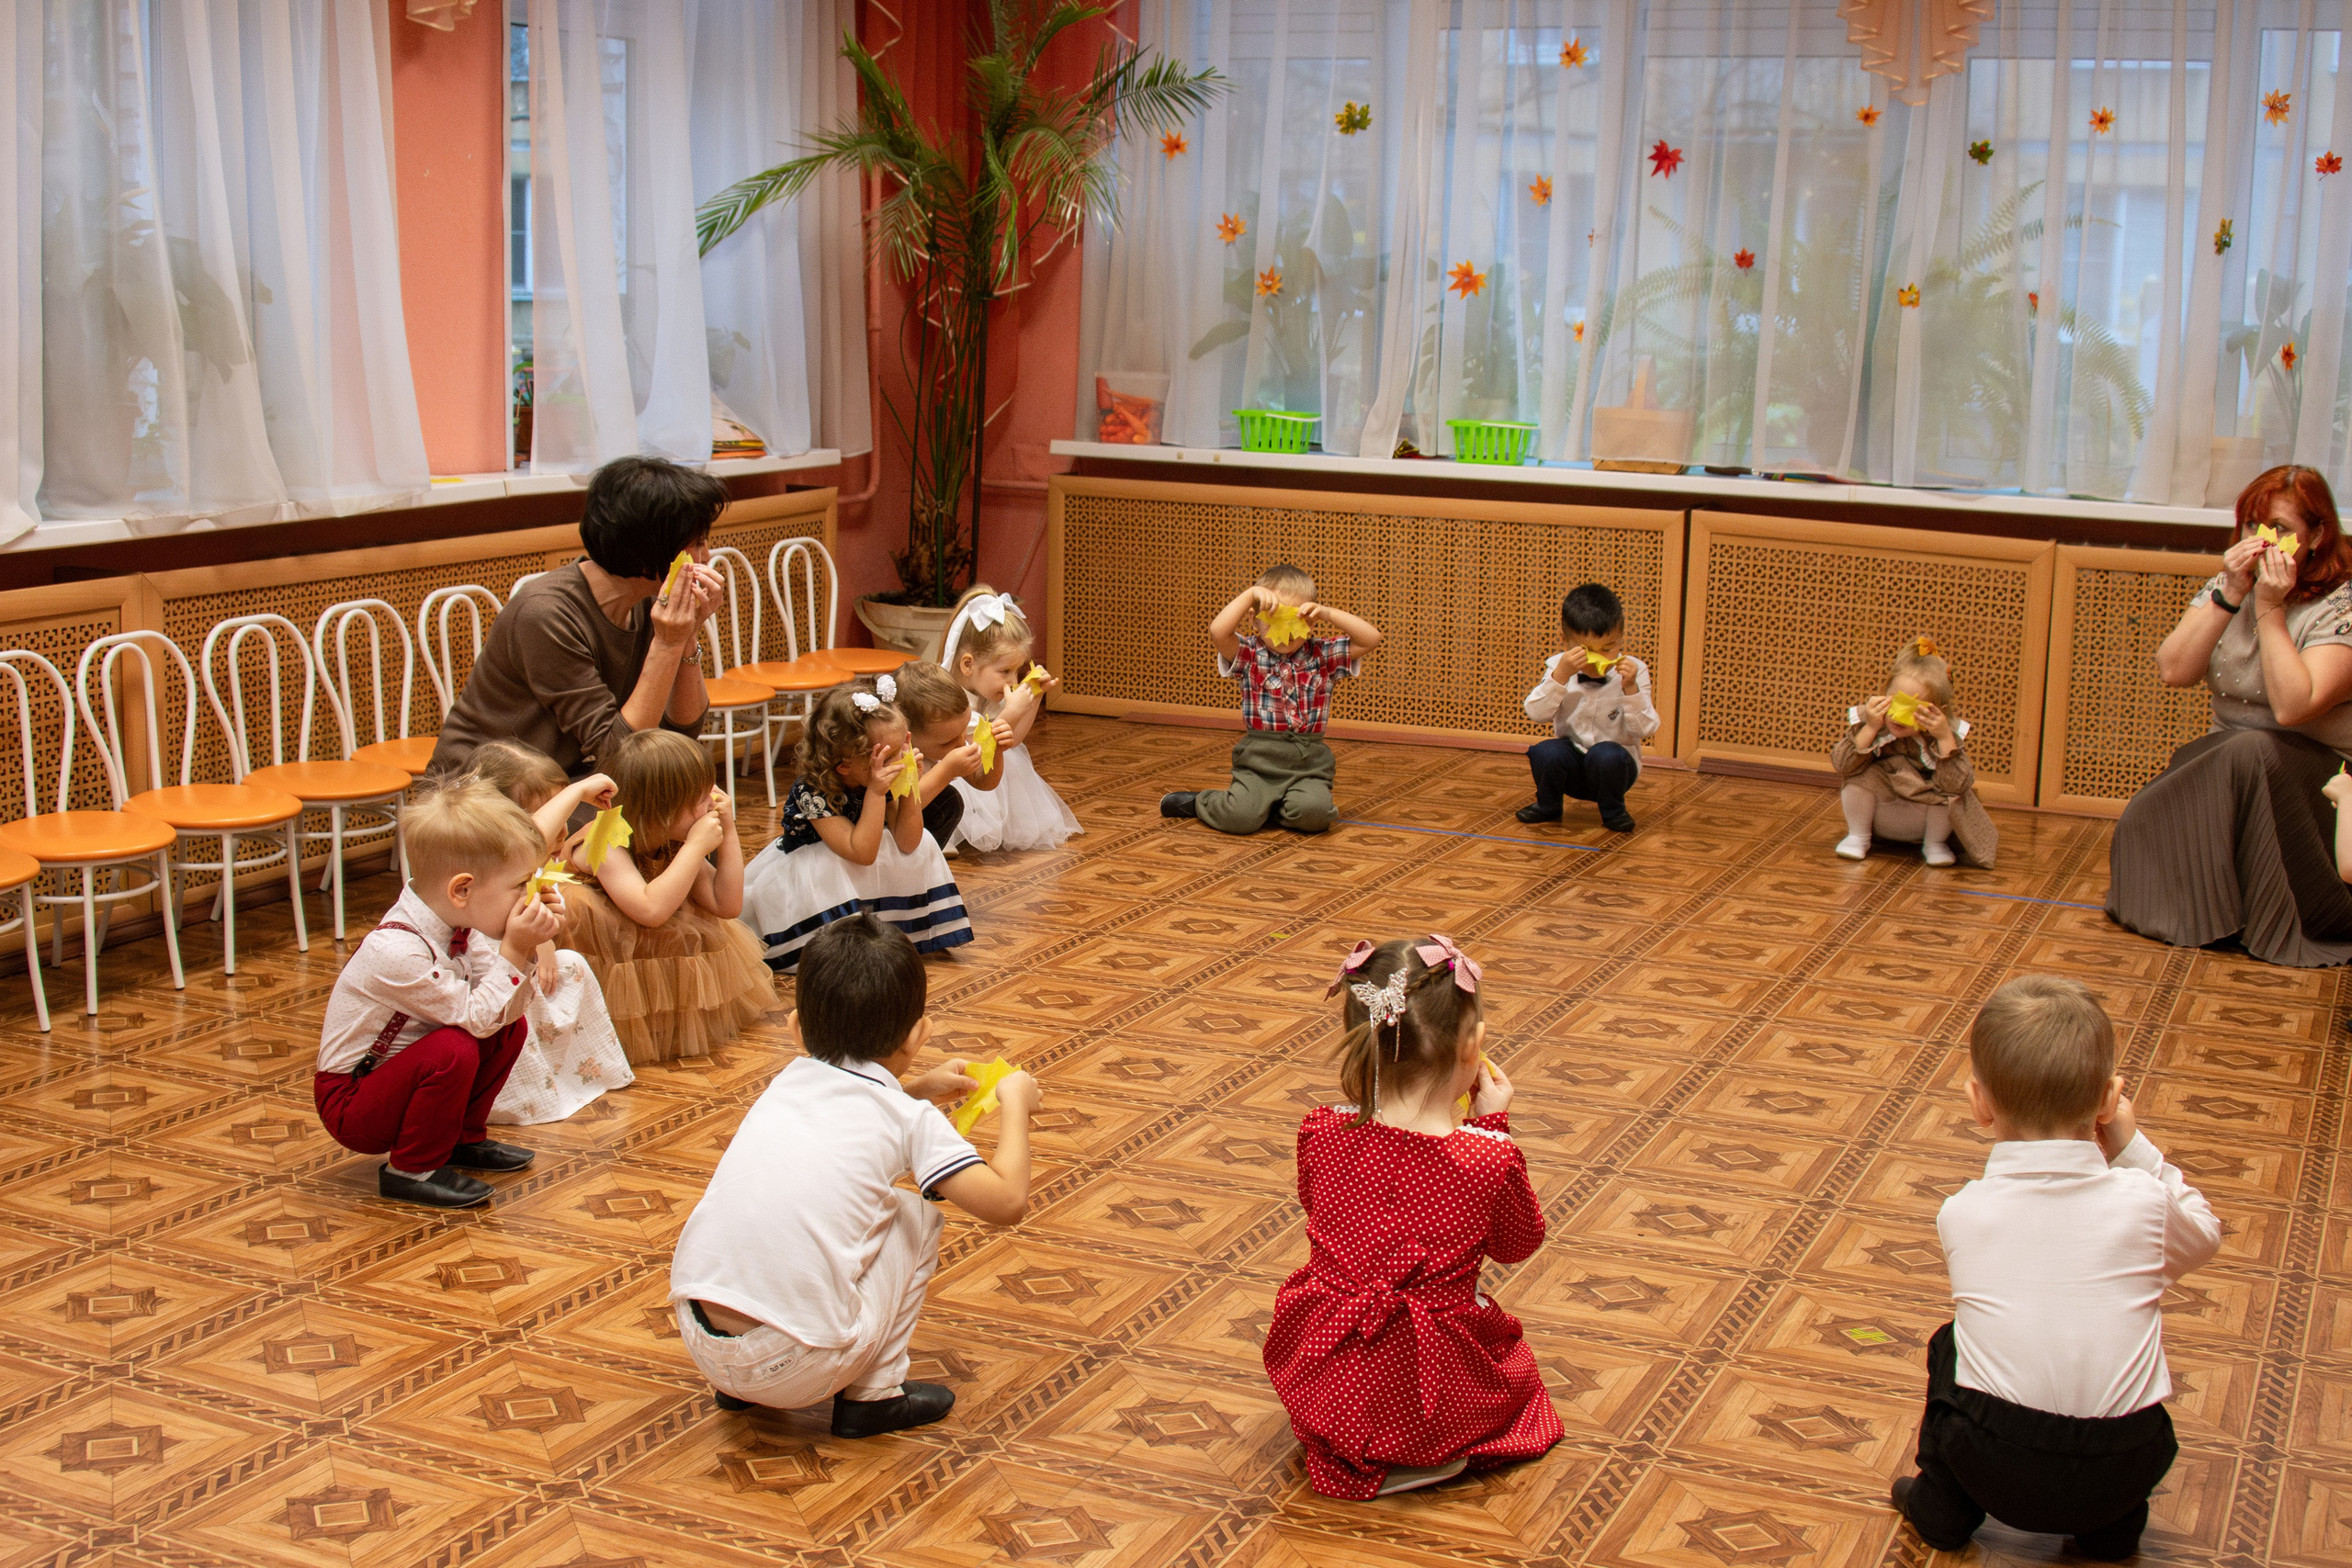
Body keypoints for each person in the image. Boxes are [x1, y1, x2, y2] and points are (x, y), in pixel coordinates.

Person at [1890, 976, 2221, 1559]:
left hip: (1994, 1467)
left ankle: (1942, 1509)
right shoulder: (2143, 1201)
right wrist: (2133, 1150)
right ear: (2108, 1100)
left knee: (1951, 1344)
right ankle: (2110, 1532)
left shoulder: (1962, 1212)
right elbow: (2203, 1238)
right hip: (2124, 1467)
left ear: (1979, 1102)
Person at [669, 913, 1038, 1435]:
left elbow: (856, 1122)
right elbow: (1006, 1203)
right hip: (795, 1368)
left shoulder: (786, 1082)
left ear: (796, 1028)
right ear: (919, 1034)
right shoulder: (910, 1120)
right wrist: (1015, 1101)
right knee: (915, 1214)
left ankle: (741, 1385)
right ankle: (874, 1397)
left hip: (703, 1344)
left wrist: (915, 1089)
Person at [1263, 935, 1562, 1500]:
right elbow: (1517, 1244)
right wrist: (1492, 1126)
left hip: (1329, 1369)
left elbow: (1318, 1205)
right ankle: (1427, 1446)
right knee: (1510, 1366)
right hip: (1431, 1379)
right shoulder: (1485, 1157)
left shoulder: (1322, 1130)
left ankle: (1358, 1434)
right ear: (1473, 1047)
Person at [2109, 466, 2352, 964]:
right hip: (2228, 767)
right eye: (2251, 526)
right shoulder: (2230, 583)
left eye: (2280, 529)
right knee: (2155, 806)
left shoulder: (2342, 601)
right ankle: (2205, 911)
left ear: (2317, 536)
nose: (2262, 540)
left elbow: (2294, 707)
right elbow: (2174, 670)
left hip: (2324, 783)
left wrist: (2269, 607)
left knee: (2252, 749)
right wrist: (2233, 593)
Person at [312, 775, 560, 1208]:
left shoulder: (460, 925)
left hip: (393, 1081)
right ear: (462, 889)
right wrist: (517, 948)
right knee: (453, 1049)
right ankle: (411, 1169)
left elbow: (497, 1013)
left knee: (510, 1027)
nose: (530, 896)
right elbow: (476, 1018)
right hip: (352, 1101)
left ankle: (460, 1139)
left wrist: (523, 951)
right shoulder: (397, 950)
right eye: (520, 885)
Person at [428, 456, 727, 787]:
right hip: (482, 793)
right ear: (647, 550)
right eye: (697, 543)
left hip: (557, 780)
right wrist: (668, 643)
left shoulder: (649, 601)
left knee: (696, 801)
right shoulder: (545, 613)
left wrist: (687, 636)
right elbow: (622, 755)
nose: (706, 556)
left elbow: (681, 734)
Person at [558, 728, 775, 1065]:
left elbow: (727, 905)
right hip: (597, 932)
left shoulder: (674, 837)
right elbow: (651, 911)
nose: (712, 803)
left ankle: (661, 1021)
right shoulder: (606, 838)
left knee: (694, 923)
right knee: (658, 919)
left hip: (644, 913)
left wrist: (729, 830)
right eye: (701, 798)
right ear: (663, 808)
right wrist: (696, 847)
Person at [740, 679, 974, 971]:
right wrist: (875, 793)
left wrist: (910, 783)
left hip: (860, 857)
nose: (899, 761)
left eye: (902, 748)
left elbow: (908, 841)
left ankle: (887, 933)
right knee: (839, 862)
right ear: (844, 765)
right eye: (889, 756)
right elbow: (860, 852)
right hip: (818, 872)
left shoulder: (876, 773)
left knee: (923, 842)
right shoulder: (812, 790)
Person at [461, 740, 635, 1122]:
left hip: (522, 963)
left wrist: (546, 947)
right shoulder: (487, 862)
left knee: (573, 967)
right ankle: (519, 1094)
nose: (561, 831)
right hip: (488, 975)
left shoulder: (540, 865)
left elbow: (540, 909)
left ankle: (578, 1073)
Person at [1162, 564, 1381, 834]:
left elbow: (1371, 639)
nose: (1284, 631)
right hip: (1259, 765)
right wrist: (1250, 595)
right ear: (1254, 620)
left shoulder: (1322, 655)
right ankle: (1202, 802)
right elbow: (1218, 632)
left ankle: (1273, 807)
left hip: (1308, 766)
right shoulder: (1249, 654)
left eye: (1294, 620)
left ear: (1310, 623)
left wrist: (1327, 613)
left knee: (1315, 816)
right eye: (1273, 618)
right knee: (1240, 818)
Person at [1831, 637, 1997, 867]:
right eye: (1897, 701)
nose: (1900, 716)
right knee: (1858, 779)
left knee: (1953, 794)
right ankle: (1858, 836)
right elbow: (1843, 766)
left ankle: (1935, 844)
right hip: (1882, 813)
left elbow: (1957, 785)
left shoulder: (1942, 736)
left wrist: (1944, 737)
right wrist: (1870, 727)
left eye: (1914, 708)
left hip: (1922, 816)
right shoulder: (1874, 724)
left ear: (1939, 712)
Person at [937, 587, 1080, 852]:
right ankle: (945, 833)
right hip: (957, 777)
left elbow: (1011, 741)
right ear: (968, 665)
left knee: (1011, 758)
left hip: (985, 772)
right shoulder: (949, 700)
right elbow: (981, 748)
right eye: (1005, 671)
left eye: (1017, 670)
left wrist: (1034, 698)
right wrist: (1011, 712)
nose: (1013, 681)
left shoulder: (988, 692)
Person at [1517, 583, 1658, 833]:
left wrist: (1630, 690)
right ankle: (1548, 805)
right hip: (1572, 768)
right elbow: (1536, 714)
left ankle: (1614, 811)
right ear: (1565, 641)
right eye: (1586, 652)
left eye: (1608, 649)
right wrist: (1560, 677)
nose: (1597, 660)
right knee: (1546, 751)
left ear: (1622, 637)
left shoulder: (1635, 672)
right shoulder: (1558, 667)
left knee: (1605, 754)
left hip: (1615, 768)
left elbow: (1646, 729)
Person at [888, 659, 999, 851]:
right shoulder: (893, 755)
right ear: (906, 735)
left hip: (912, 829)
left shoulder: (951, 740)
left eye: (964, 731)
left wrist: (997, 752)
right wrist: (946, 771)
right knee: (947, 799)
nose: (961, 743)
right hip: (885, 830)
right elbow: (897, 810)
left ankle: (927, 857)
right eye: (947, 742)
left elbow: (984, 783)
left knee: (950, 801)